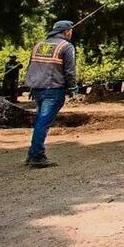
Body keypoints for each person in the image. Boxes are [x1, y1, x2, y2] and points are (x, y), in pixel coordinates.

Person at [23, 20, 78, 168]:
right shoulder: (66, 46)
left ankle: (31, 153)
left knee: (41, 120)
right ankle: (37, 156)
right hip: (53, 88)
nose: (71, 33)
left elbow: (32, 66)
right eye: (71, 31)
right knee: (43, 123)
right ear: (66, 31)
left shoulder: (39, 45)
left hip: (37, 88)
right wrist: (73, 88)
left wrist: (30, 86)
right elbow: (70, 71)